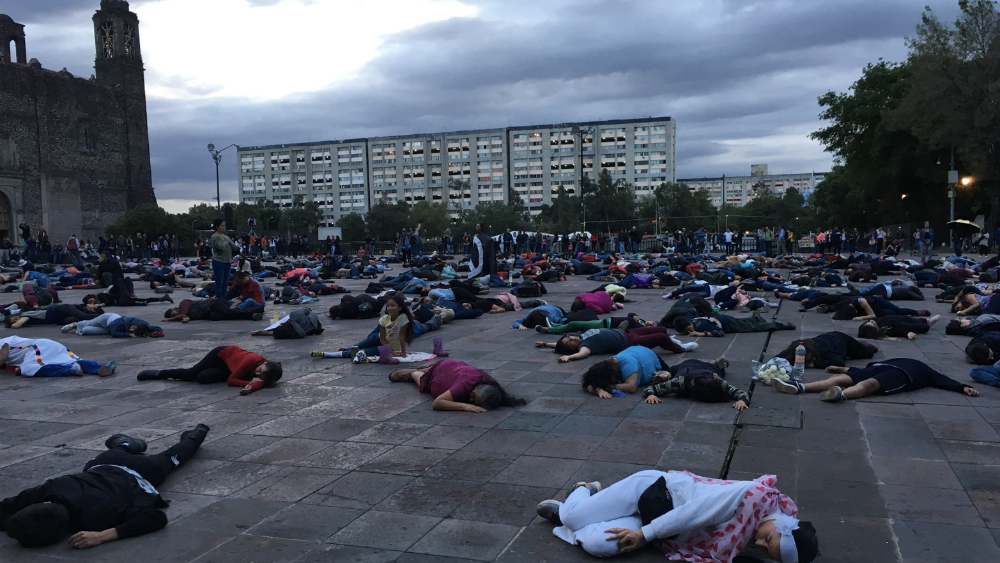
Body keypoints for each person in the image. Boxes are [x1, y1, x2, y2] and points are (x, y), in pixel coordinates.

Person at [0, 425, 209, 549]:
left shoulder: (99, 515)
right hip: (102, 463)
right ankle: (125, 444)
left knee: (175, 457)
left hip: (140, 471)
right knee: (116, 453)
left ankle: (197, 434)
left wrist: (103, 535)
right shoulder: (51, 489)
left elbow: (155, 517)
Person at [535, 470, 818, 562]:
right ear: (782, 525)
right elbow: (692, 513)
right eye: (768, 540)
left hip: (660, 525)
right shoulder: (753, 496)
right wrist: (644, 534)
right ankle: (583, 491)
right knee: (571, 518)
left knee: (601, 546)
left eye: (769, 553)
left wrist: (643, 532)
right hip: (653, 492)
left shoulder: (761, 527)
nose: (759, 545)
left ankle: (592, 516)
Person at [773, 358, 979, 401]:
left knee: (868, 385)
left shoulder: (925, 370)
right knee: (842, 377)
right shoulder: (919, 366)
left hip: (900, 375)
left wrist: (962, 387)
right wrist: (840, 367)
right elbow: (856, 368)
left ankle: (840, 395)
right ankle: (800, 387)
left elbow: (941, 379)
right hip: (880, 368)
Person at [311, 293, 416, 364]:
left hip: (384, 348)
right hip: (379, 339)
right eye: (388, 306)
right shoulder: (384, 319)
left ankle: (327, 354)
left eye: (392, 306)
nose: (389, 308)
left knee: (358, 352)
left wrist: (402, 352)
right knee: (358, 346)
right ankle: (345, 349)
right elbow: (382, 338)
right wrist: (392, 352)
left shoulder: (403, 318)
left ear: (400, 307)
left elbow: (401, 336)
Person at [136, 345, 282, 396]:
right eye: (260, 370)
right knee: (190, 375)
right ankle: (159, 373)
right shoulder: (252, 360)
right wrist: (250, 383)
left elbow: (261, 381)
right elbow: (231, 381)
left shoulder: (266, 372)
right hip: (221, 356)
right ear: (265, 363)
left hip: (231, 367)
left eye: (261, 375)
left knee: (203, 378)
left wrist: (257, 384)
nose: (257, 373)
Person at [387, 359, 526, 412]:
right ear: (476, 388)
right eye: (472, 397)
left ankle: (430, 367)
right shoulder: (465, 385)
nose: (471, 400)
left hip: (455, 366)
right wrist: (465, 406)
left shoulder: (490, 384)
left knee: (436, 368)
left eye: (474, 402)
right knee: (422, 380)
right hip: (441, 373)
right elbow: (437, 403)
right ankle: (412, 373)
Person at [536, 326, 694, 362]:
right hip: (629, 342)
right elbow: (582, 354)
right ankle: (680, 348)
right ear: (571, 348)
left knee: (661, 329)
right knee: (660, 336)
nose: (573, 338)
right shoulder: (585, 346)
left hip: (628, 332)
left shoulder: (583, 336)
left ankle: (672, 341)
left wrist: (544, 343)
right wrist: (568, 358)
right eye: (570, 342)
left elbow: (557, 345)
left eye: (569, 337)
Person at [641, 358, 748, 410]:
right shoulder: (679, 382)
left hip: (708, 368)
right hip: (684, 367)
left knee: (720, 373)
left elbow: (741, 393)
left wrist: (742, 400)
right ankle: (664, 375)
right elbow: (649, 389)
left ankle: (717, 365)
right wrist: (650, 394)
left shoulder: (716, 380)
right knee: (670, 372)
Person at [0, 336, 116, 377]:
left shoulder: (4, 341)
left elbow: (3, 356)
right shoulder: (15, 341)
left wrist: (21, 369)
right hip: (50, 344)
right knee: (72, 359)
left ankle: (69, 370)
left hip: (36, 348)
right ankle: (100, 367)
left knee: (29, 369)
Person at [581, 346, 664, 398]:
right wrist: (598, 390)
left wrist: (607, 387)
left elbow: (631, 387)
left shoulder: (629, 365)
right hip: (635, 350)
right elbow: (588, 384)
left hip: (650, 356)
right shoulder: (606, 365)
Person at [773, 332, 877, 369]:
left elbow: (839, 362)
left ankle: (864, 345)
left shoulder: (823, 349)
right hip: (827, 338)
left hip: (843, 340)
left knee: (869, 353)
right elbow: (778, 357)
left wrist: (815, 364)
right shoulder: (795, 348)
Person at [673, 313, 794, 337]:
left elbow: (719, 333)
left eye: (689, 329)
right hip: (722, 318)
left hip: (727, 324)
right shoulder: (691, 319)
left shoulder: (700, 326)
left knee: (751, 328)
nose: (690, 332)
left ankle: (779, 325)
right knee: (742, 323)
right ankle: (754, 318)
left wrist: (701, 334)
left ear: (690, 323)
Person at [64, 313, 162, 338]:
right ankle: (75, 324)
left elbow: (156, 328)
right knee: (90, 322)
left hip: (110, 328)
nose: (131, 328)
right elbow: (115, 333)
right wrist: (127, 334)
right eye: (133, 327)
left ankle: (80, 328)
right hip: (110, 319)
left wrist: (156, 333)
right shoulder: (121, 324)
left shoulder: (145, 325)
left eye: (134, 329)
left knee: (86, 331)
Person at [210, 219, 240, 300]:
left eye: (224, 225)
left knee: (225, 283)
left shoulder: (226, 237)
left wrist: (231, 241)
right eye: (222, 226)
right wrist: (226, 241)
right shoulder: (214, 236)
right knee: (219, 283)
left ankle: (224, 299)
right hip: (218, 261)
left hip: (227, 261)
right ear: (217, 227)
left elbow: (235, 248)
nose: (224, 227)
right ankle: (219, 300)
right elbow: (220, 247)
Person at [250, 308, 324, 339]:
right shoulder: (294, 316)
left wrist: (258, 333)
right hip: (313, 319)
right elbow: (307, 309)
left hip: (315, 325)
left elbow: (274, 332)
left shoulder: (295, 333)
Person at [856, 315, 939, 341]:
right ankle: (927, 322)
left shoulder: (863, 328)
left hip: (892, 318)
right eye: (872, 324)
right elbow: (898, 331)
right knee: (921, 327)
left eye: (869, 322)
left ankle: (925, 320)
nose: (872, 321)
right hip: (897, 325)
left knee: (910, 319)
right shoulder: (886, 329)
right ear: (876, 329)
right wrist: (907, 333)